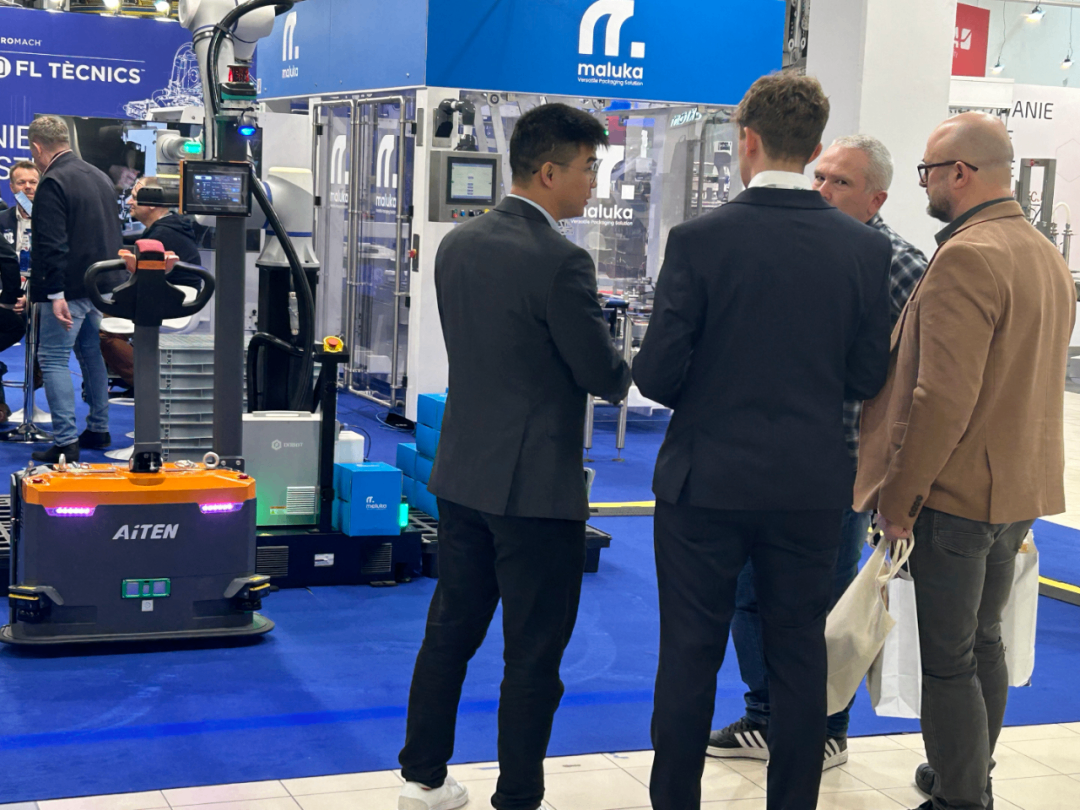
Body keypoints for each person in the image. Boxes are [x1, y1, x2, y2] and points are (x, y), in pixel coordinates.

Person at [633, 73, 893, 810]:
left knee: (688, 656)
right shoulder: (861, 249)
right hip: (810, 484)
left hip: (704, 481)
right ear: (813, 148)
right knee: (799, 655)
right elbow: (866, 375)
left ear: (746, 140)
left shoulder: (698, 240)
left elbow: (656, 375)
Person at [397, 103, 631, 810]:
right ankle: (519, 795)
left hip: (463, 473)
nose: (594, 182)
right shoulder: (561, 261)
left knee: (450, 631)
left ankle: (423, 777)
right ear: (549, 171)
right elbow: (603, 374)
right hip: (536, 489)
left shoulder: (458, 244)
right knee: (533, 654)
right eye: (589, 167)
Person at [854, 112, 1075, 810]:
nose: (922, 183)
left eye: (927, 171)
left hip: (955, 495)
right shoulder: (1043, 254)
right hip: (1016, 488)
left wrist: (898, 499)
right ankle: (968, 776)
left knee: (949, 660)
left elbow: (941, 398)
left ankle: (960, 797)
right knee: (984, 645)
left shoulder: (967, 255)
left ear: (960, 173)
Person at [707, 134, 929, 769]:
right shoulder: (804, 245)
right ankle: (764, 715)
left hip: (842, 469)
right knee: (749, 594)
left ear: (876, 199)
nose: (822, 190)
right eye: (820, 176)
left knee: (823, 605)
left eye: (840, 182)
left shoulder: (899, 265)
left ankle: (827, 727)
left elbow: (915, 379)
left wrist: (895, 477)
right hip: (768, 461)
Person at [28, 115, 121, 462]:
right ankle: (98, 428)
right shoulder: (98, 176)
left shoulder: (54, 181)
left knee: (52, 358)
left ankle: (66, 441)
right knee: (90, 353)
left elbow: (52, 243)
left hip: (68, 289)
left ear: (37, 147)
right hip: (99, 286)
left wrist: (55, 294)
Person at [100, 176, 205, 389]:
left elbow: (144, 279)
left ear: (151, 203)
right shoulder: (167, 228)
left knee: (101, 330)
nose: (129, 202)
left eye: (135, 197)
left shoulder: (161, 235)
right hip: (169, 298)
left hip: (169, 303)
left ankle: (149, 385)